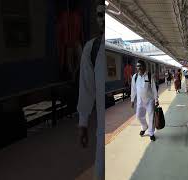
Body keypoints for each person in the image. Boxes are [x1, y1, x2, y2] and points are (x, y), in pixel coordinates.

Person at [77, 2, 104, 179]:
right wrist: (83, 123)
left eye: (106, 15)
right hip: (102, 127)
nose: (102, 19)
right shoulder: (91, 48)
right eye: (99, 15)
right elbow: (86, 88)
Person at [131, 60, 159, 141]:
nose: (139, 68)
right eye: (137, 66)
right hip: (140, 101)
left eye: (140, 66)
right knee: (139, 116)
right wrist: (132, 100)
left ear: (144, 66)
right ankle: (144, 127)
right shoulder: (135, 77)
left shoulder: (149, 76)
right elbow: (133, 89)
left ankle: (151, 133)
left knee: (151, 117)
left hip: (150, 100)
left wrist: (156, 99)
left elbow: (154, 88)